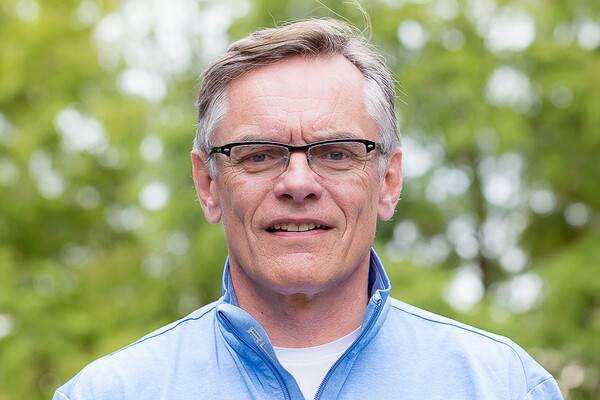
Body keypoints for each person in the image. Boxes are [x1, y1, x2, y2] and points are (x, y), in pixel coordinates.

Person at [53, 19, 562, 400]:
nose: (297, 183)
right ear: (208, 184)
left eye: (337, 153)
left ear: (388, 181)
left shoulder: (503, 386)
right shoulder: (109, 393)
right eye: (258, 155)